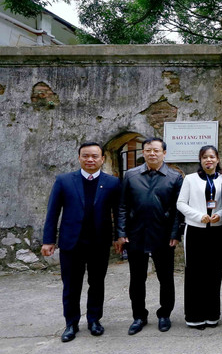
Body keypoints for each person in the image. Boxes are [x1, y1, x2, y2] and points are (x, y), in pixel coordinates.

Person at [42, 142, 121, 342]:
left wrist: (118, 237)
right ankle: (71, 323)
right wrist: (48, 240)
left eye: (95, 156)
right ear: (79, 158)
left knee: (97, 283)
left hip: (99, 242)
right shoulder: (64, 181)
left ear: (102, 159)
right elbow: (53, 212)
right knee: (71, 285)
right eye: (85, 156)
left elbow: (118, 212)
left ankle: (94, 320)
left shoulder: (112, 183)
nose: (90, 160)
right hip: (71, 242)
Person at [116, 137, 183, 335]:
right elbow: (122, 206)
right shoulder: (131, 175)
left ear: (164, 153)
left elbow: (177, 210)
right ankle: (139, 316)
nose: (152, 154)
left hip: (163, 235)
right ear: (143, 153)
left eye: (156, 150)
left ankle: (164, 314)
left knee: (166, 278)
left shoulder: (174, 177)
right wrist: (121, 232)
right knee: (137, 279)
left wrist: (175, 233)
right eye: (148, 150)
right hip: (136, 234)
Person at [176, 145, 222, 330]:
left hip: (217, 231)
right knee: (195, 273)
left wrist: (219, 214)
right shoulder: (190, 179)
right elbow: (181, 203)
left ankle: (212, 315)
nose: (209, 160)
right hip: (195, 230)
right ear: (200, 160)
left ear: (217, 159)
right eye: (205, 157)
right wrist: (198, 216)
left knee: (214, 272)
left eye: (212, 157)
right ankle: (195, 316)